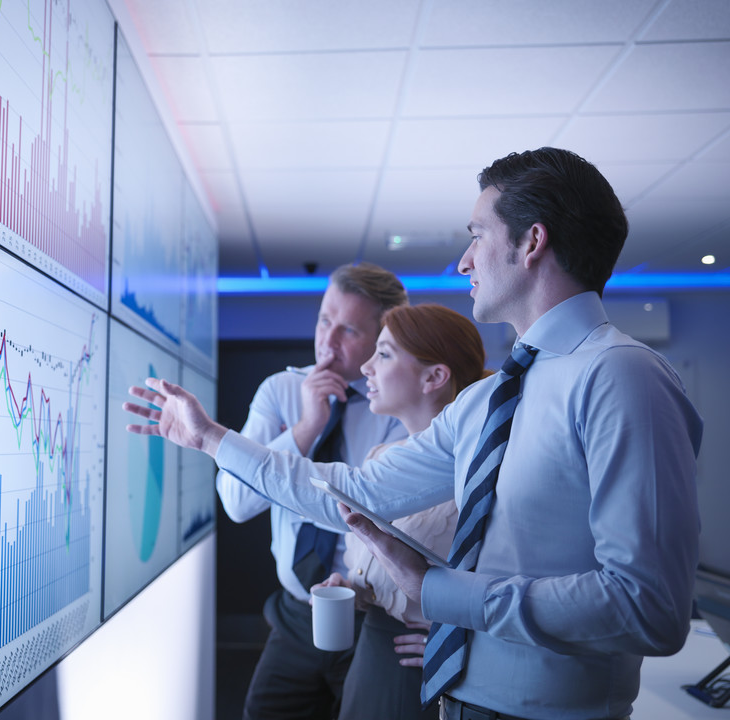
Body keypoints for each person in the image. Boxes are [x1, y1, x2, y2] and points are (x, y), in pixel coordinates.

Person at [125, 147, 704, 720]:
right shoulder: (486, 400)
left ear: (532, 243)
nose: (463, 261)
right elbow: (354, 489)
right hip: (457, 700)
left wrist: (444, 595)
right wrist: (210, 439)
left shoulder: (622, 377)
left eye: (477, 235)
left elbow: (648, 608)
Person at [216, 262, 409, 719]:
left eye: (347, 330)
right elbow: (238, 503)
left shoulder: (399, 405)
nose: (327, 341)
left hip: (374, 618)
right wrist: (305, 427)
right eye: (325, 320)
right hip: (296, 615)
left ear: (382, 338)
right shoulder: (280, 390)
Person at [318, 303, 488, 720]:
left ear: (435, 377)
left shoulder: (478, 474)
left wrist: (468, 640)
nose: (366, 368)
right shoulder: (381, 457)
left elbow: (507, 587)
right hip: (371, 658)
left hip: (428, 669)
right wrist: (353, 588)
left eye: (385, 354)